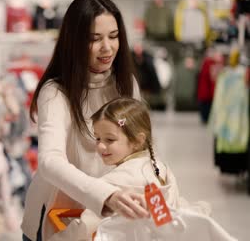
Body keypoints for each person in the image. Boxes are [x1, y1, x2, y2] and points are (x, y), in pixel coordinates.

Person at [22, 0, 147, 241]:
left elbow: (139, 147)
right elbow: (49, 161)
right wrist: (104, 194)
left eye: (113, 36)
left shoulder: (125, 84)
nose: (107, 47)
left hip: (109, 216)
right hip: (59, 218)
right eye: (95, 39)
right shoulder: (56, 92)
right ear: (75, 41)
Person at [49, 97, 211, 240]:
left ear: (137, 140)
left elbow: (84, 227)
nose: (100, 146)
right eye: (97, 138)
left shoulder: (115, 183)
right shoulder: (160, 167)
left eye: (110, 139)